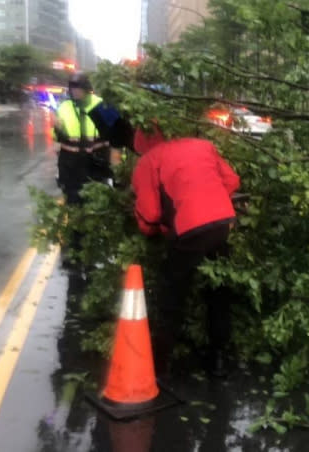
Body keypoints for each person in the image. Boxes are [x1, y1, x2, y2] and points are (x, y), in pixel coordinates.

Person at [130, 124, 240, 378]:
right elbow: (232, 181)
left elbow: (150, 213)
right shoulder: (202, 146)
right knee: (218, 290)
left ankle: (159, 365)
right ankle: (218, 358)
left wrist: (151, 229)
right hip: (223, 223)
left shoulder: (148, 161)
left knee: (171, 294)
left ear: (142, 144)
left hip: (189, 229)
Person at [52, 72, 113, 206]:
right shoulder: (64, 107)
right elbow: (56, 137)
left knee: (97, 203)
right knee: (73, 202)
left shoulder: (101, 105)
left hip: (96, 161)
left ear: (86, 88)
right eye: (72, 88)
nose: (74, 92)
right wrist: (57, 129)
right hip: (70, 163)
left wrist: (115, 168)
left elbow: (116, 137)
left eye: (78, 88)